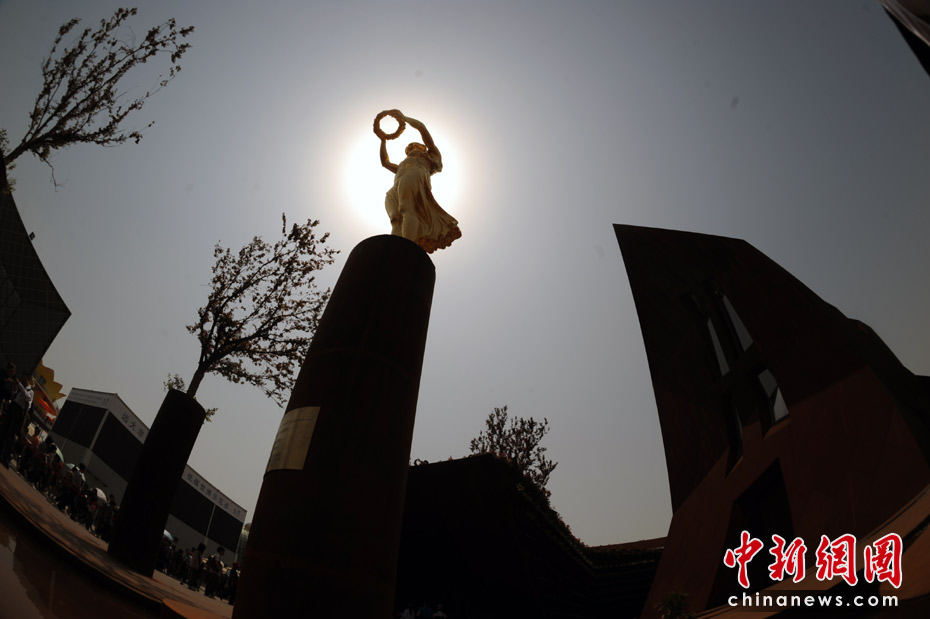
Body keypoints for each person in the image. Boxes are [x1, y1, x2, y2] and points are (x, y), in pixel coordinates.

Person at [379, 112, 461, 253]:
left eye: (414, 146)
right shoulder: (402, 165)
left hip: (414, 176)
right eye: (408, 148)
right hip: (396, 186)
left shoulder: (430, 156)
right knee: (395, 218)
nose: (410, 148)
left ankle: (407, 247)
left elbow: (421, 128)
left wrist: (403, 117)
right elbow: (385, 162)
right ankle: (394, 248)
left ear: (423, 147)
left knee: (407, 208)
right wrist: (383, 141)